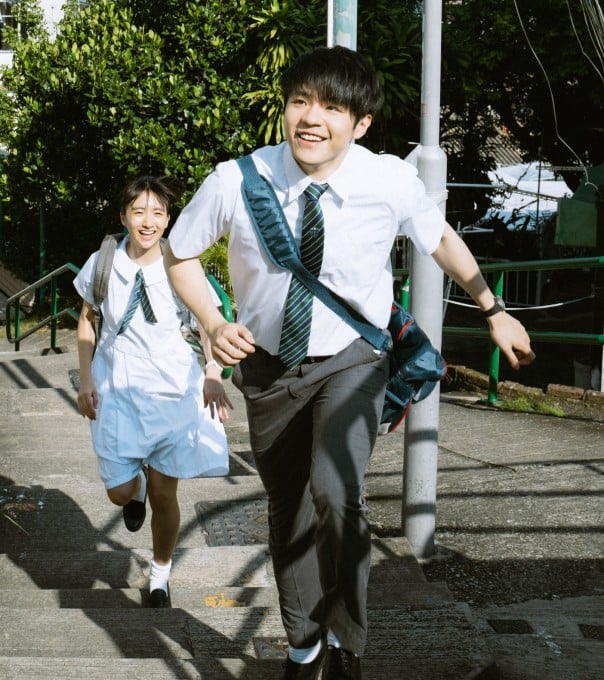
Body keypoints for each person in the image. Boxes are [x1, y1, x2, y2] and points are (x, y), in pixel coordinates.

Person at [164, 46, 535, 679]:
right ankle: (303, 646)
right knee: (290, 510)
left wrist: (492, 308)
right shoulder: (236, 180)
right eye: (300, 102)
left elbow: (440, 238)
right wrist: (215, 321)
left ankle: (347, 642)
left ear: (360, 123)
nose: (311, 118)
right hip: (269, 370)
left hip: (354, 358)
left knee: (336, 492)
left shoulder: (387, 180)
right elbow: (180, 254)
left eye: (332, 108)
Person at [74, 176, 232, 608]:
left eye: (158, 213)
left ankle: (160, 575)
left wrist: (213, 372)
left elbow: (206, 322)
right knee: (118, 491)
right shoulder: (102, 262)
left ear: (168, 218)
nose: (149, 221)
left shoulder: (180, 263)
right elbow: (86, 320)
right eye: (139, 212)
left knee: (166, 495)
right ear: (123, 216)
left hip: (171, 388)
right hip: (116, 386)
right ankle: (136, 486)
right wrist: (85, 379)